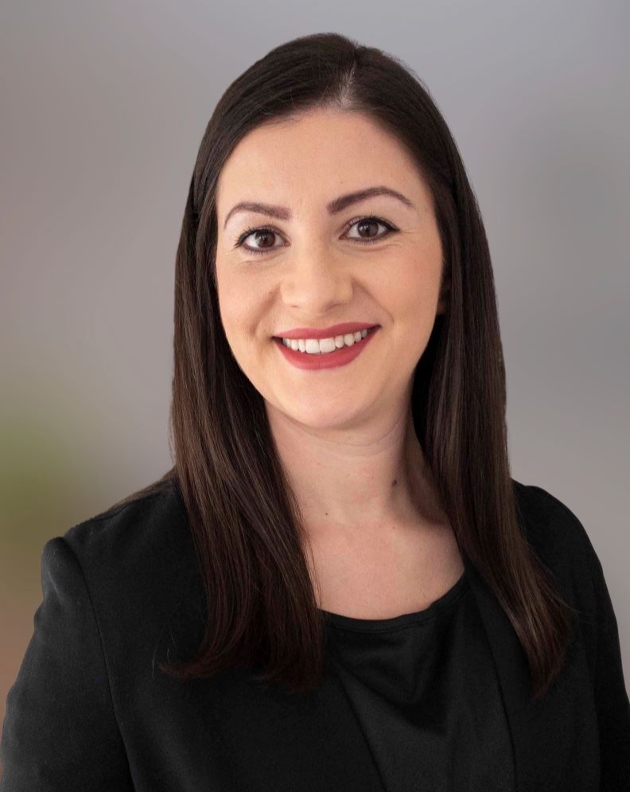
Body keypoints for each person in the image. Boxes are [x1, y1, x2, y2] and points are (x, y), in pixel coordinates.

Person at [1, 31, 628, 792]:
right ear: (210, 283)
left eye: (367, 227)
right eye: (261, 237)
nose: (315, 290)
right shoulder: (110, 602)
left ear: (449, 266)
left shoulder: (551, 557)